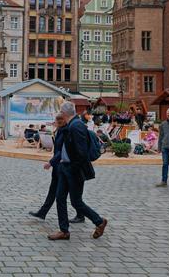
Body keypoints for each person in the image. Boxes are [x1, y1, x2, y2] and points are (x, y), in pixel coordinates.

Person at [48, 101, 108, 241]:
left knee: (76, 201)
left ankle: (99, 221)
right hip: (65, 167)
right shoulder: (71, 125)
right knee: (60, 198)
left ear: (64, 113)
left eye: (61, 112)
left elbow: (81, 152)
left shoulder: (76, 126)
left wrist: (73, 169)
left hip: (73, 169)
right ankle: (64, 231)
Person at [29, 113, 66, 220]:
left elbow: (60, 151)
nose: (53, 123)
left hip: (61, 166)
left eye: (54, 121)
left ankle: (85, 216)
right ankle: (42, 212)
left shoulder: (64, 132)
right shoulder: (58, 131)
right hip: (57, 166)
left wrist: (50, 162)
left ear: (59, 122)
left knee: (72, 196)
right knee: (53, 190)